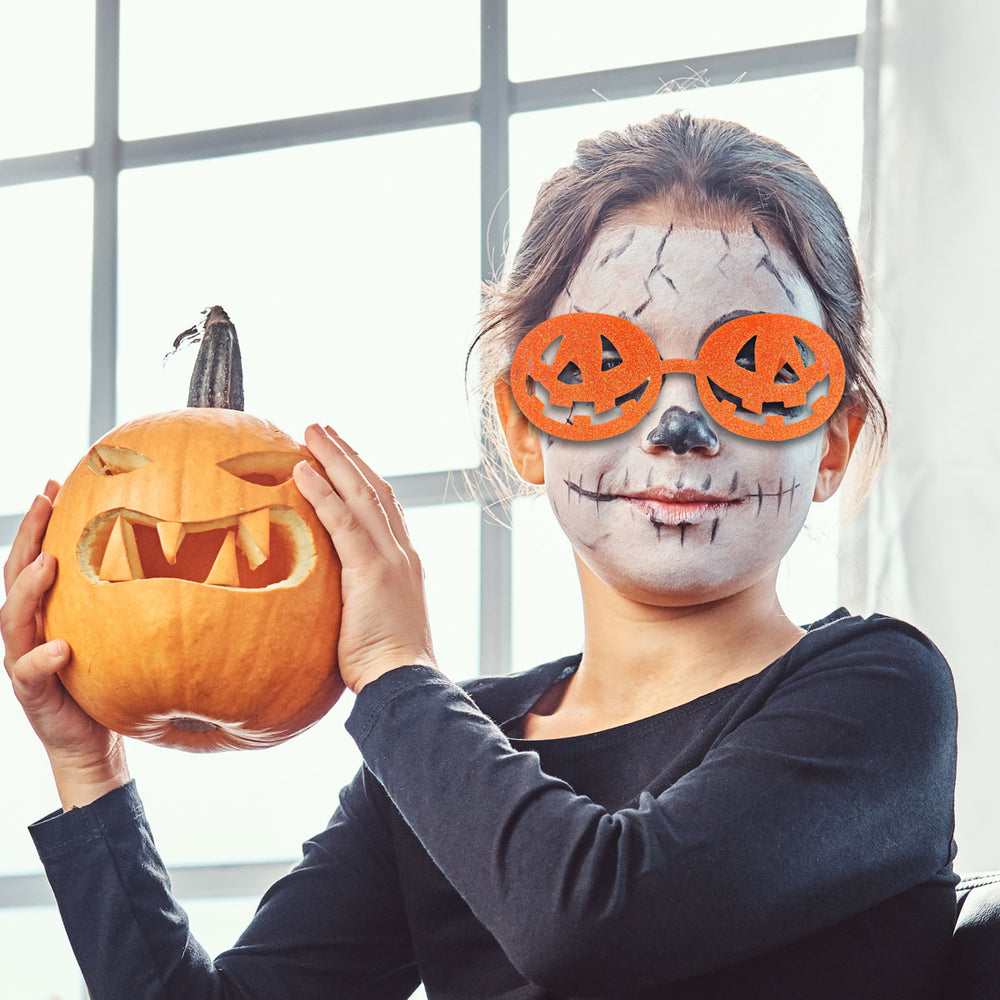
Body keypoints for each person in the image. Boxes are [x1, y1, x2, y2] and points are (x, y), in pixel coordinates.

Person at [1, 112, 958, 999]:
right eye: (598, 370)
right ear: (524, 428)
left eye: (759, 371)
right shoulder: (446, 753)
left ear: (832, 439)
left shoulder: (879, 690)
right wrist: (89, 767)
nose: (679, 428)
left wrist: (392, 673)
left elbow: (596, 924)